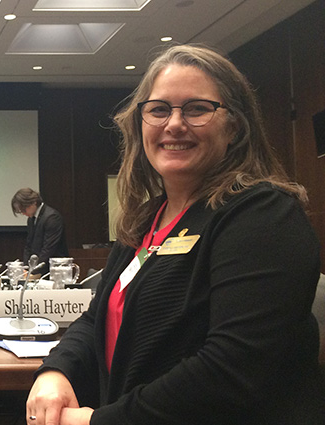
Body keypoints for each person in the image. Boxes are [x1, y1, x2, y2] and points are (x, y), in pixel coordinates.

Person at [25, 45, 324, 425]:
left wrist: (97, 422)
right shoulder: (145, 221)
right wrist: (56, 371)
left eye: (197, 109)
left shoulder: (264, 215)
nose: (174, 124)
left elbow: (230, 371)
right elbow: (94, 318)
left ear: (234, 126)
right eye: (159, 109)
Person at [11, 188, 68, 273]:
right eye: (20, 211)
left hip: (54, 269)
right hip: (39, 268)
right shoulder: (31, 219)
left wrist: (33, 270)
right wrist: (26, 268)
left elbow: (48, 249)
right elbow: (28, 245)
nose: (23, 213)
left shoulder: (52, 217)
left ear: (33, 202)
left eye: (23, 209)